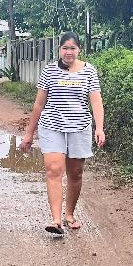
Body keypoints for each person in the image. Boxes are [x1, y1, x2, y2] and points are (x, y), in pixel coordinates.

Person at [20, 32, 105, 235]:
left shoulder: (89, 71)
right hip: (52, 126)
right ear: (59, 50)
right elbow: (39, 104)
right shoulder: (49, 70)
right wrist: (29, 133)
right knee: (54, 170)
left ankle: (69, 214)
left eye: (72, 48)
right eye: (65, 48)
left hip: (79, 128)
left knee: (75, 173)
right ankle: (56, 220)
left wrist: (99, 127)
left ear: (79, 50)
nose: (69, 52)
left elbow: (96, 101)